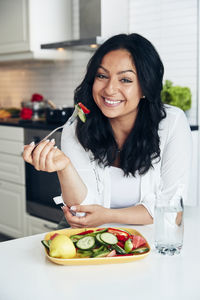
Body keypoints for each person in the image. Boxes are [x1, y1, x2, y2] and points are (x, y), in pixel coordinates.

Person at [23, 33, 192, 228]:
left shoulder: (172, 123)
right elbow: (82, 211)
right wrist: (65, 168)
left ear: (146, 86)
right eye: (102, 76)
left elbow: (171, 211)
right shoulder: (78, 125)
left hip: (150, 235)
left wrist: (108, 215)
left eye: (126, 80)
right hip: (91, 230)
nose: (110, 89)